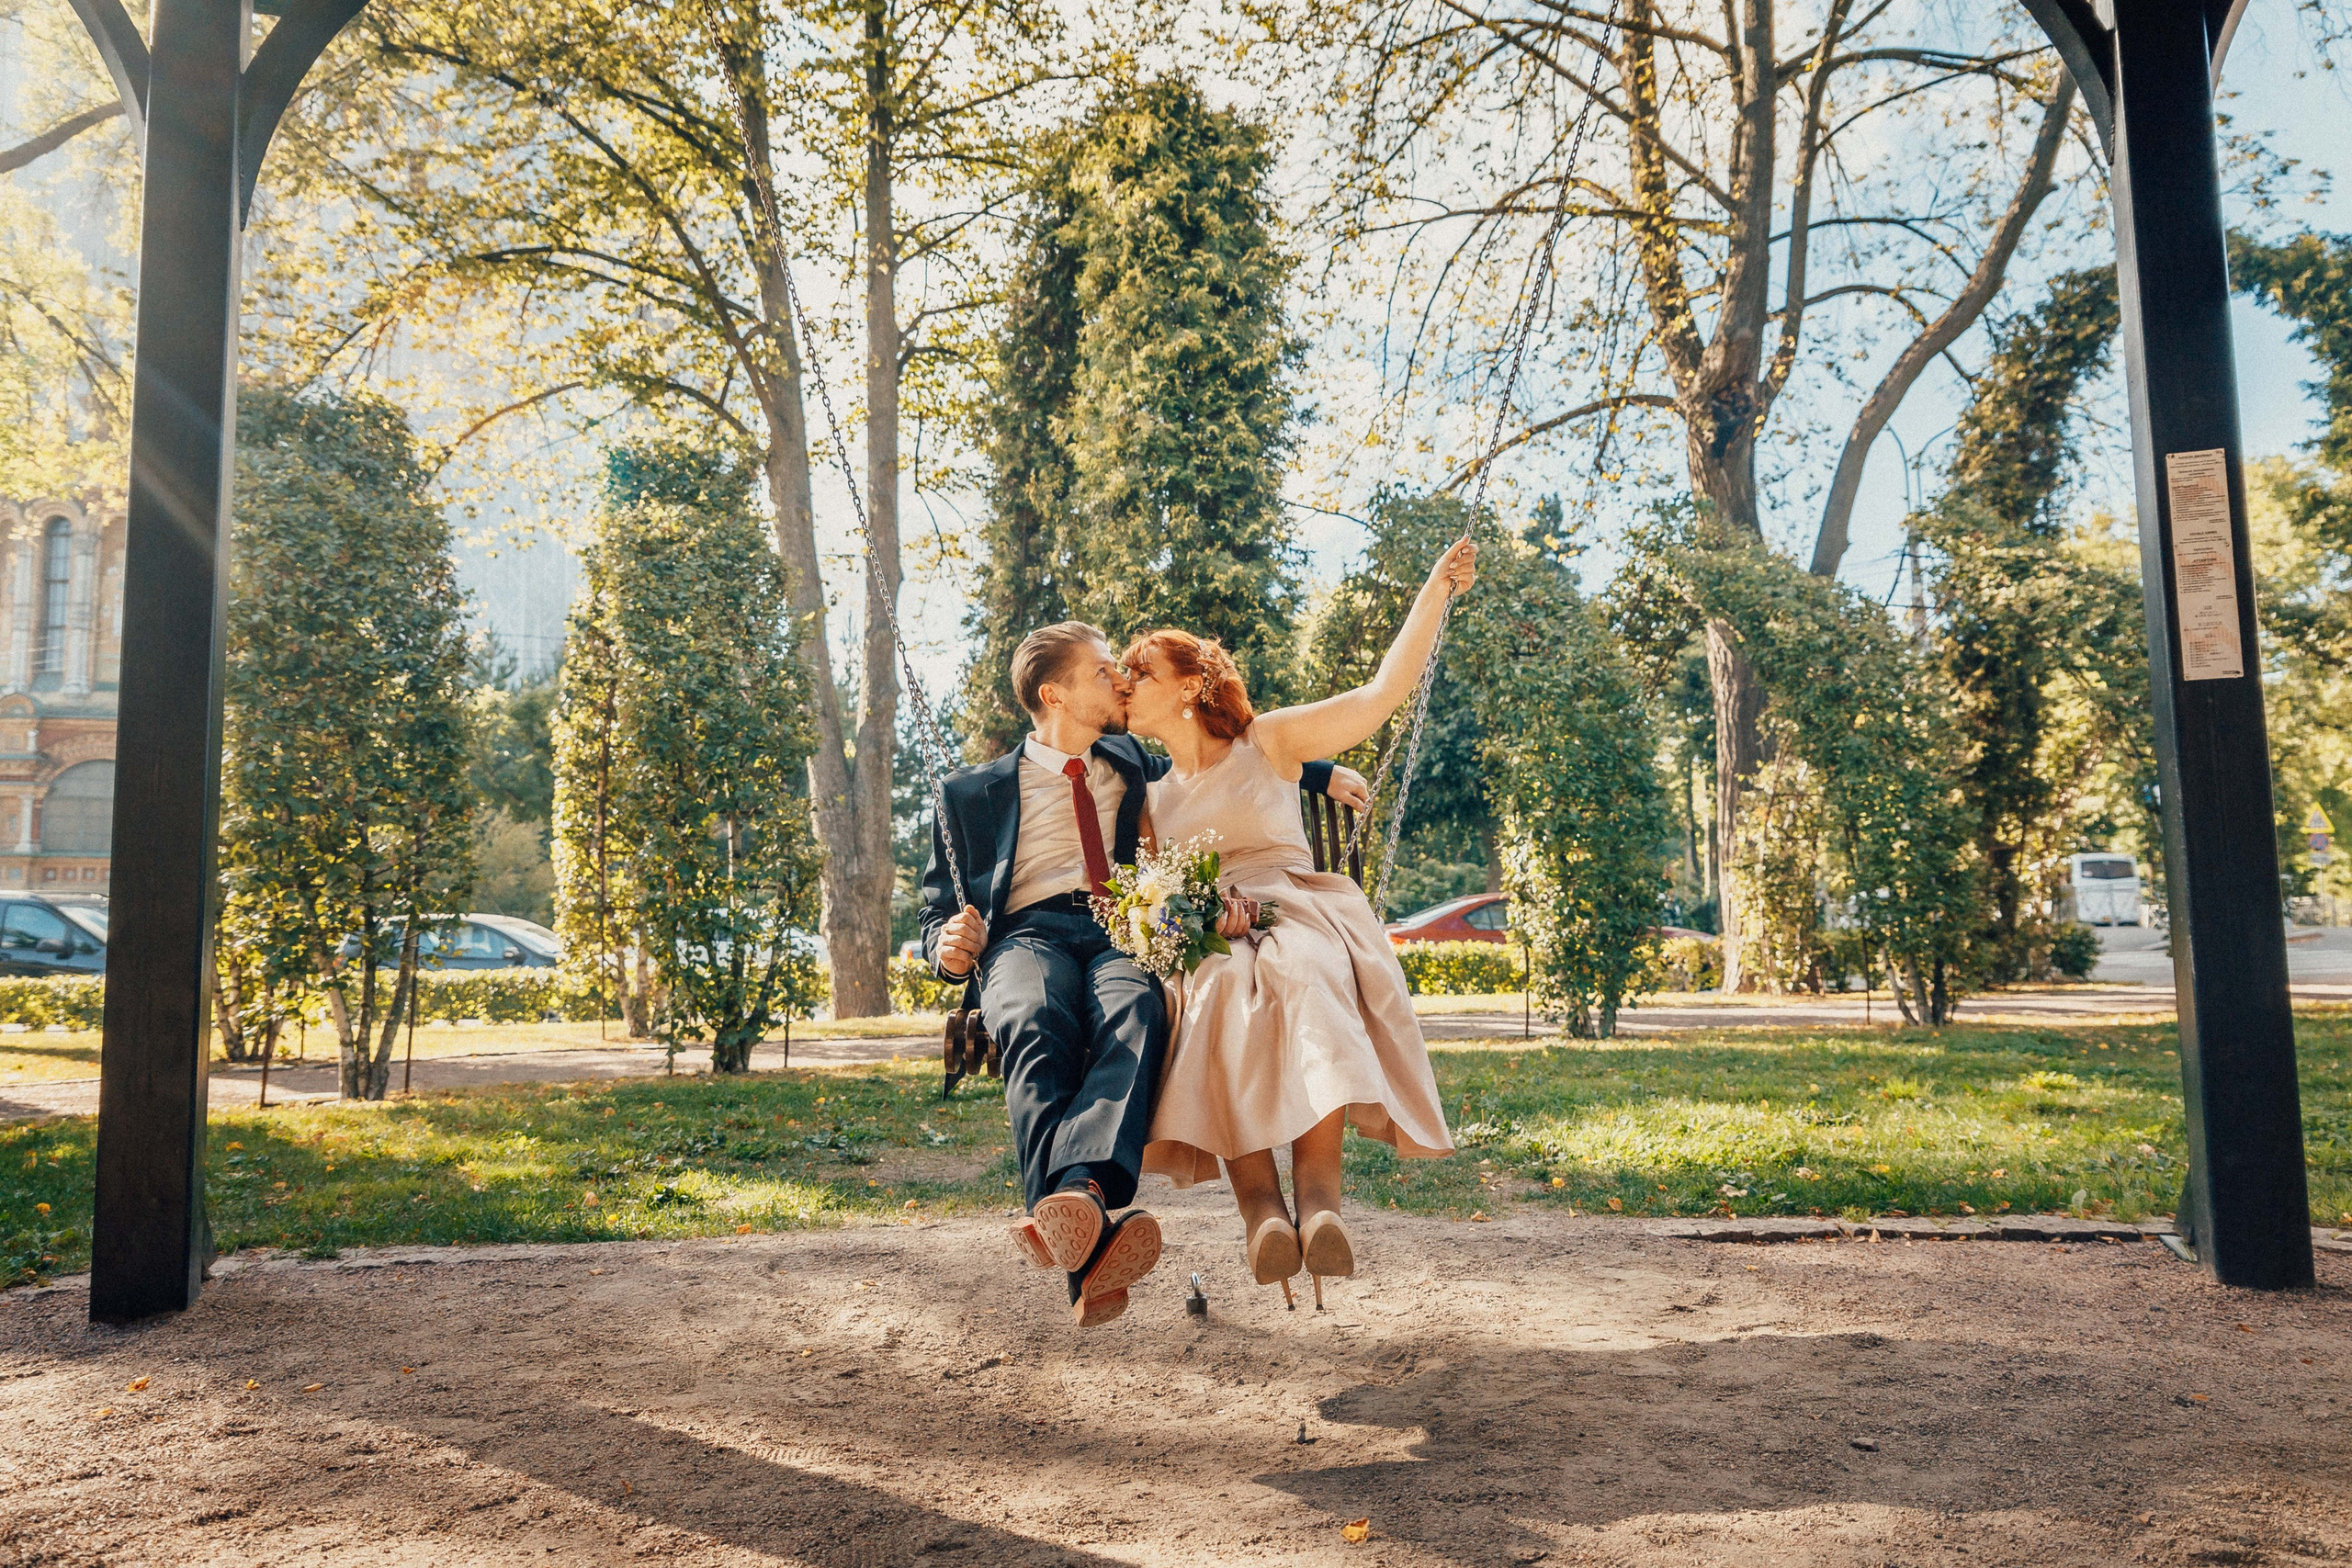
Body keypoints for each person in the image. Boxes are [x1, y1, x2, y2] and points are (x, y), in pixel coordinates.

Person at [918, 623, 1368, 1326]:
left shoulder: (1127, 759)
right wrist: (945, 947)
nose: (1122, 681)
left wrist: (1316, 771)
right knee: (1035, 1019)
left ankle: (1080, 1209)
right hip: (1025, 935)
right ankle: (1087, 1203)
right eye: (1104, 672)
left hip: (1118, 928)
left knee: (1140, 1009)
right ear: (1054, 693)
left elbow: (1221, 755)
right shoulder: (968, 793)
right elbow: (937, 910)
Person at [1123, 538, 1477, 1306]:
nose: (1125, 682)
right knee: (1214, 997)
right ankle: (1261, 1216)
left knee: (1308, 973)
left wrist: (1434, 592)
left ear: (1189, 687)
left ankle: (1319, 1204)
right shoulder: (1150, 802)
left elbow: (1379, 694)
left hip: (1297, 905)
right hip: (1212, 930)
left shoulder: (1268, 740)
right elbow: (1146, 900)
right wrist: (1199, 915)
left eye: (1139, 670)